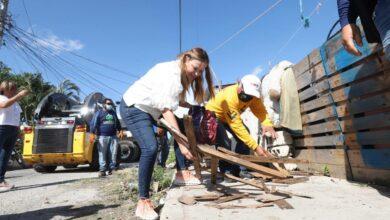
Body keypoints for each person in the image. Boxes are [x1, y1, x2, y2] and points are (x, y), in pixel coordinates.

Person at [120, 47, 214, 220]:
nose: (198, 74)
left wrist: (193, 107)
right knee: (150, 148)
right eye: (195, 68)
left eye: (201, 71)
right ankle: (143, 202)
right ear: (186, 59)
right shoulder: (171, 75)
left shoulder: (178, 74)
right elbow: (166, 109)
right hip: (134, 107)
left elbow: (174, 101)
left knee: (181, 123)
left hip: (149, 110)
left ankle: (181, 173)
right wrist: (181, 142)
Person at [206, 74, 276, 178]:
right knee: (224, 141)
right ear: (240, 85)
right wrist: (256, 147)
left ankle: (240, 169)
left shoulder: (253, 97)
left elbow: (261, 111)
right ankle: (226, 171)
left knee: (245, 135)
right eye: (246, 94)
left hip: (228, 118)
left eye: (250, 96)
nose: (248, 98)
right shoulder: (229, 97)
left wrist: (267, 124)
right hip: (213, 115)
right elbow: (237, 126)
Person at [0, 81, 29, 192]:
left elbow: (16, 116)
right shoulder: (2, 98)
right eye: (12, 89)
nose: (15, 91)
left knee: (5, 155)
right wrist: (19, 96)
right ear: (5, 89)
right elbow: (3, 105)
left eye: (15, 89)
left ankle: (1, 180)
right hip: (1, 127)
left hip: (13, 129)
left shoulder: (15, 102)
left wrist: (19, 130)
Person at [90, 98, 122, 177]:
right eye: (108, 103)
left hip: (113, 137)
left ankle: (112, 169)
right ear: (104, 104)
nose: (110, 105)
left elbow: (117, 122)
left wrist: (120, 130)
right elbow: (93, 123)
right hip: (102, 137)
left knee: (113, 153)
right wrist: (92, 133)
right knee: (102, 154)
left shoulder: (113, 113)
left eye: (111, 103)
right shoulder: (99, 113)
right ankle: (102, 170)